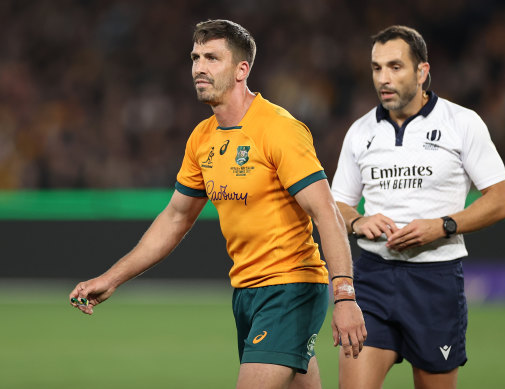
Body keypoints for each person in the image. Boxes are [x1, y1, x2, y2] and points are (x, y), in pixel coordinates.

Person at [69, 19, 366, 389]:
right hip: (246, 293)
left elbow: (327, 213)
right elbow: (176, 218)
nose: (199, 67)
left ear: (242, 69)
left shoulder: (278, 129)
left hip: (290, 288)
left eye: (212, 58)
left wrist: (345, 296)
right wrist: (111, 278)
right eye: (195, 57)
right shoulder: (202, 138)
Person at [331, 25, 505, 389]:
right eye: (376, 68)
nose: (383, 78)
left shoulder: (461, 123)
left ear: (422, 71)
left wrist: (443, 225)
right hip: (373, 277)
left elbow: (501, 200)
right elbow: (337, 205)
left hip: (435, 281)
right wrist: (356, 222)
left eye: (395, 67)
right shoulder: (360, 131)